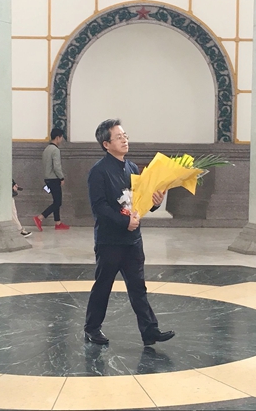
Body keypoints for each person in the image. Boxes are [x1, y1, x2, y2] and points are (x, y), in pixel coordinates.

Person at [84, 118, 175, 346]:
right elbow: (99, 207)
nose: (124, 140)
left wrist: (155, 202)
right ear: (106, 144)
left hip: (133, 240)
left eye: (125, 136)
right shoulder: (98, 172)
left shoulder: (132, 167)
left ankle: (150, 331)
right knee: (103, 286)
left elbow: (139, 200)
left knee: (138, 287)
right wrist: (125, 222)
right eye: (118, 137)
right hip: (109, 241)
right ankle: (92, 328)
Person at [33, 128, 70, 231]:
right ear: (58, 137)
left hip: (48, 178)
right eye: (61, 138)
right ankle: (40, 217)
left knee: (56, 201)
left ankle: (58, 223)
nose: (61, 140)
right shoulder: (55, 150)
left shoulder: (47, 149)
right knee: (58, 202)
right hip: (54, 179)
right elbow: (56, 166)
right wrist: (61, 177)